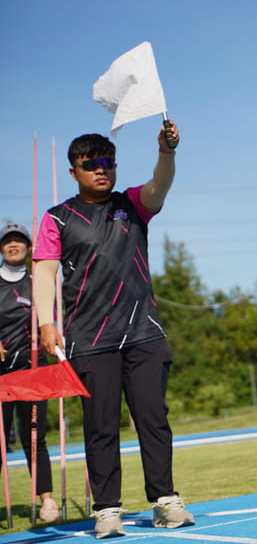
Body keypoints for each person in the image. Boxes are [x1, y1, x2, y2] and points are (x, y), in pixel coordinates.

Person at [32, 123, 195, 539]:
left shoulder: (133, 205)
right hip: (90, 340)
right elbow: (45, 272)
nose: (101, 171)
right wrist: (45, 322)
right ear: (75, 172)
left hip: (144, 333)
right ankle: (107, 509)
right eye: (91, 165)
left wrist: (167, 152)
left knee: (154, 420)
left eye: (107, 163)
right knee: (100, 427)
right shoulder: (57, 219)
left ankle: (165, 500)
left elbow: (161, 184)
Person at [0, 223, 59, 523]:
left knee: (35, 437)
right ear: (1, 248)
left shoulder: (38, 283)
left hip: (33, 371)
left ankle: (47, 501)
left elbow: (52, 317)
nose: (13, 245)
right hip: (0, 376)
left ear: (27, 248)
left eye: (19, 241)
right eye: (8, 241)